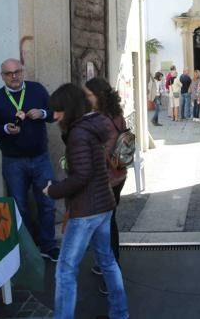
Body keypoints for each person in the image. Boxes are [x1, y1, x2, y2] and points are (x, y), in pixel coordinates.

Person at [43, 84, 129, 319]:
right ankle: (120, 313)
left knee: (65, 270)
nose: (54, 116)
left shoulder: (79, 134)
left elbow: (81, 176)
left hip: (86, 210)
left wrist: (54, 191)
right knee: (108, 262)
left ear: (68, 108)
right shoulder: (91, 127)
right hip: (103, 204)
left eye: (58, 111)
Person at [0, 58, 60, 262]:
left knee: (47, 203)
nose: (14, 76)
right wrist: (4, 129)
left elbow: (55, 114)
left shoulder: (37, 90)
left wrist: (43, 113)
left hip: (40, 158)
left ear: (23, 72)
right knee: (19, 206)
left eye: (17, 71)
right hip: (13, 162)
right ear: (2, 76)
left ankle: (48, 246)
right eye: (8, 74)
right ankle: (25, 248)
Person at [83, 77, 129, 294]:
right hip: (118, 176)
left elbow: (101, 154)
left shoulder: (100, 120)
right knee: (107, 224)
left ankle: (112, 273)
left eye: (88, 94)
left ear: (98, 96)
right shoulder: (116, 115)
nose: (85, 98)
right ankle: (105, 265)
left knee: (106, 228)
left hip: (105, 181)